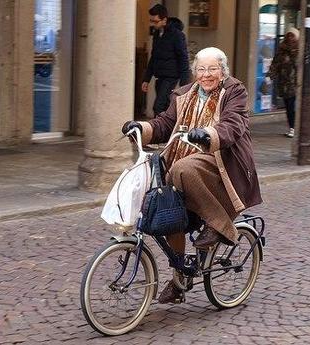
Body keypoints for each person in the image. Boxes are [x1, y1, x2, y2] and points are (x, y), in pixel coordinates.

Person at [122, 47, 262, 304]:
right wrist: (140, 127)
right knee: (167, 209)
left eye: (212, 69)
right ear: (194, 71)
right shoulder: (183, 94)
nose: (206, 75)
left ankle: (220, 225)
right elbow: (164, 124)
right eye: (201, 69)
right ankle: (179, 278)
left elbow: (233, 125)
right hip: (185, 162)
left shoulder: (234, 92)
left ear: (223, 71)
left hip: (224, 165)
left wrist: (208, 134)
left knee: (182, 168)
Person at [142, 4, 190, 117]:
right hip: (160, 76)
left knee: (158, 106)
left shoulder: (177, 35)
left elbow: (183, 58)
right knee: (165, 107)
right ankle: (168, 132)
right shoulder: (157, 34)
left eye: (156, 21)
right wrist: (146, 79)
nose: (153, 24)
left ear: (164, 20)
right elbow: (153, 57)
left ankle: (158, 133)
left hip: (171, 77)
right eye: (151, 21)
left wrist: (184, 83)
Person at [266, 27, 300, 138]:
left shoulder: (299, 50)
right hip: (285, 84)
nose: (290, 37)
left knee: (293, 106)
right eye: (288, 35)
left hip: (297, 84)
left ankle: (295, 128)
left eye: (292, 35)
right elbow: (275, 64)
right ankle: (292, 128)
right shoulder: (281, 50)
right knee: (289, 107)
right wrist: (270, 75)